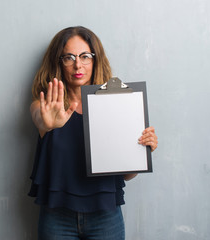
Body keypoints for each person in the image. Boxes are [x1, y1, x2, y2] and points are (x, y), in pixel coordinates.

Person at [28, 26, 158, 240]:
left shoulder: (117, 105)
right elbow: (39, 119)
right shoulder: (44, 106)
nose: (78, 64)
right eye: (68, 57)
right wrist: (46, 122)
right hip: (57, 217)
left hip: (105, 216)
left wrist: (141, 151)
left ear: (95, 59)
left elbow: (127, 174)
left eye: (85, 56)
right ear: (58, 62)